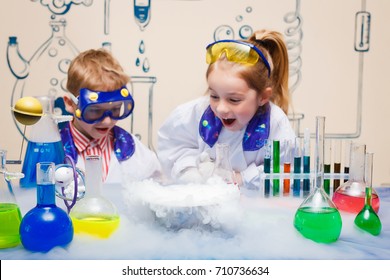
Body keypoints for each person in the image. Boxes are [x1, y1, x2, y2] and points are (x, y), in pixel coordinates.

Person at [157, 29, 296, 188]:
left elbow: (286, 170)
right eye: (214, 96)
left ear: (263, 97)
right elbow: (173, 145)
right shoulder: (194, 113)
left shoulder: (276, 123)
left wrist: (242, 178)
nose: (221, 108)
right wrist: (190, 171)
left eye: (234, 99)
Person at [61, 48, 161, 183]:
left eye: (116, 109)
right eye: (95, 111)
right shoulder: (53, 150)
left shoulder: (134, 151)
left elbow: (156, 189)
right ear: (69, 104)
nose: (108, 121)